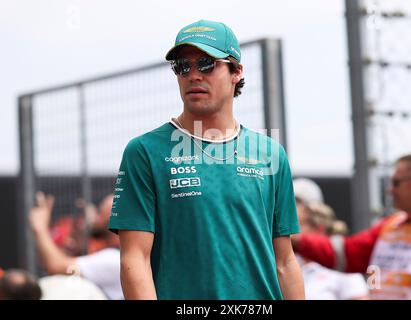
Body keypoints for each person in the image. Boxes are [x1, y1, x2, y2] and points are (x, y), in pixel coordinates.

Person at [109, 19, 304, 300]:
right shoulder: (144, 151)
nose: (193, 75)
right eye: (182, 66)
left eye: (206, 63)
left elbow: (284, 261)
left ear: (236, 71)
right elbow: (134, 260)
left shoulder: (270, 153)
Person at [292, 153, 411, 300]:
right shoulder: (391, 226)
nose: (390, 190)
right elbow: (347, 252)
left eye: (396, 183)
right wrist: (296, 240)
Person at [29, 192, 123, 300]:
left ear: (111, 220)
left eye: (99, 212)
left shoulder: (113, 258)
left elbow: (57, 266)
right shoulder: (114, 254)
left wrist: (39, 228)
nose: (94, 217)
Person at [291, 179, 368, 299]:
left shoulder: (341, 264)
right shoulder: (283, 263)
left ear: (319, 228)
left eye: (298, 225)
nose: (291, 233)